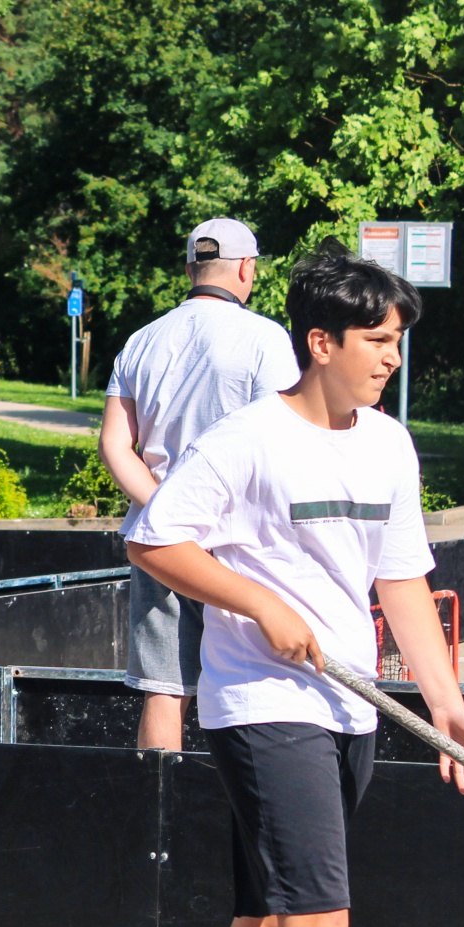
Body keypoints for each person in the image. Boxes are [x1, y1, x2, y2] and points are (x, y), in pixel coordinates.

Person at [127, 245, 464, 927]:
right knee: (319, 918)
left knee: (268, 912)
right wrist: (257, 601)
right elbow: (154, 538)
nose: (391, 358)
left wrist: (447, 702)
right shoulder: (248, 439)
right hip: (262, 704)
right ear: (320, 342)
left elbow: (402, 581)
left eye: (397, 341)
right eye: (376, 341)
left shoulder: (389, 445)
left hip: (351, 703)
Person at [101, 218, 301, 751]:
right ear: (247, 269)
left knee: (165, 689)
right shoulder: (265, 339)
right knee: (258, 687)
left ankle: (156, 802)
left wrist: (166, 511)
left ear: (190, 269)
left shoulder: (141, 341)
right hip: (240, 544)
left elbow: (115, 446)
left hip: (159, 544)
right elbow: (279, 441)